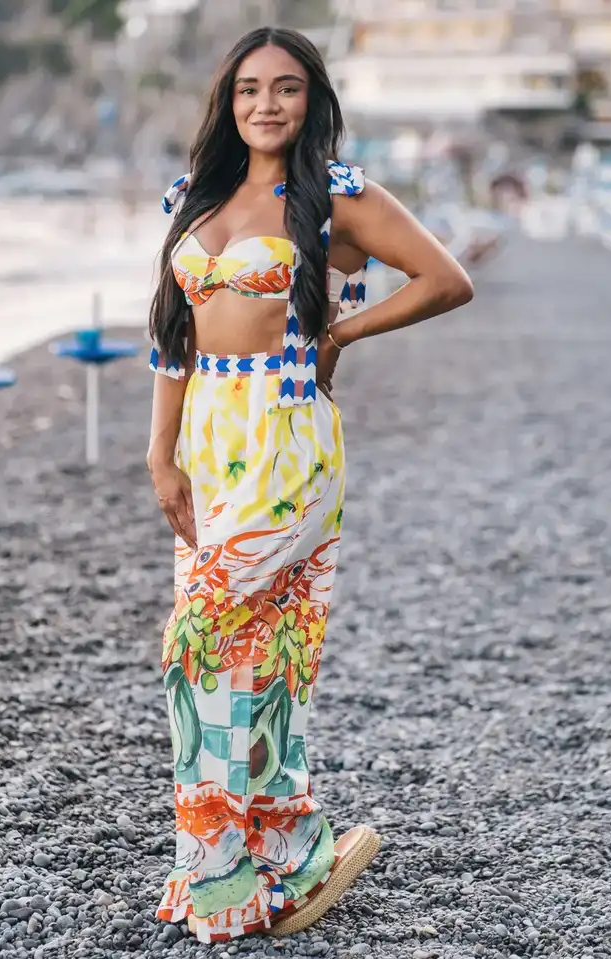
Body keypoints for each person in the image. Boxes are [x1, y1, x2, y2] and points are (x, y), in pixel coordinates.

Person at [146, 26, 473, 945]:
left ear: (312, 99)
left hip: (287, 443)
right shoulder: (196, 196)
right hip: (209, 444)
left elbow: (443, 279)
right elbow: (173, 335)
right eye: (250, 89)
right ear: (228, 101)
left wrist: (340, 335)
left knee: (197, 644)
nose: (267, 105)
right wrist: (159, 452)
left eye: (286, 89)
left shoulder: (333, 197)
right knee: (255, 652)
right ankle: (286, 845)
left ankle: (220, 868)